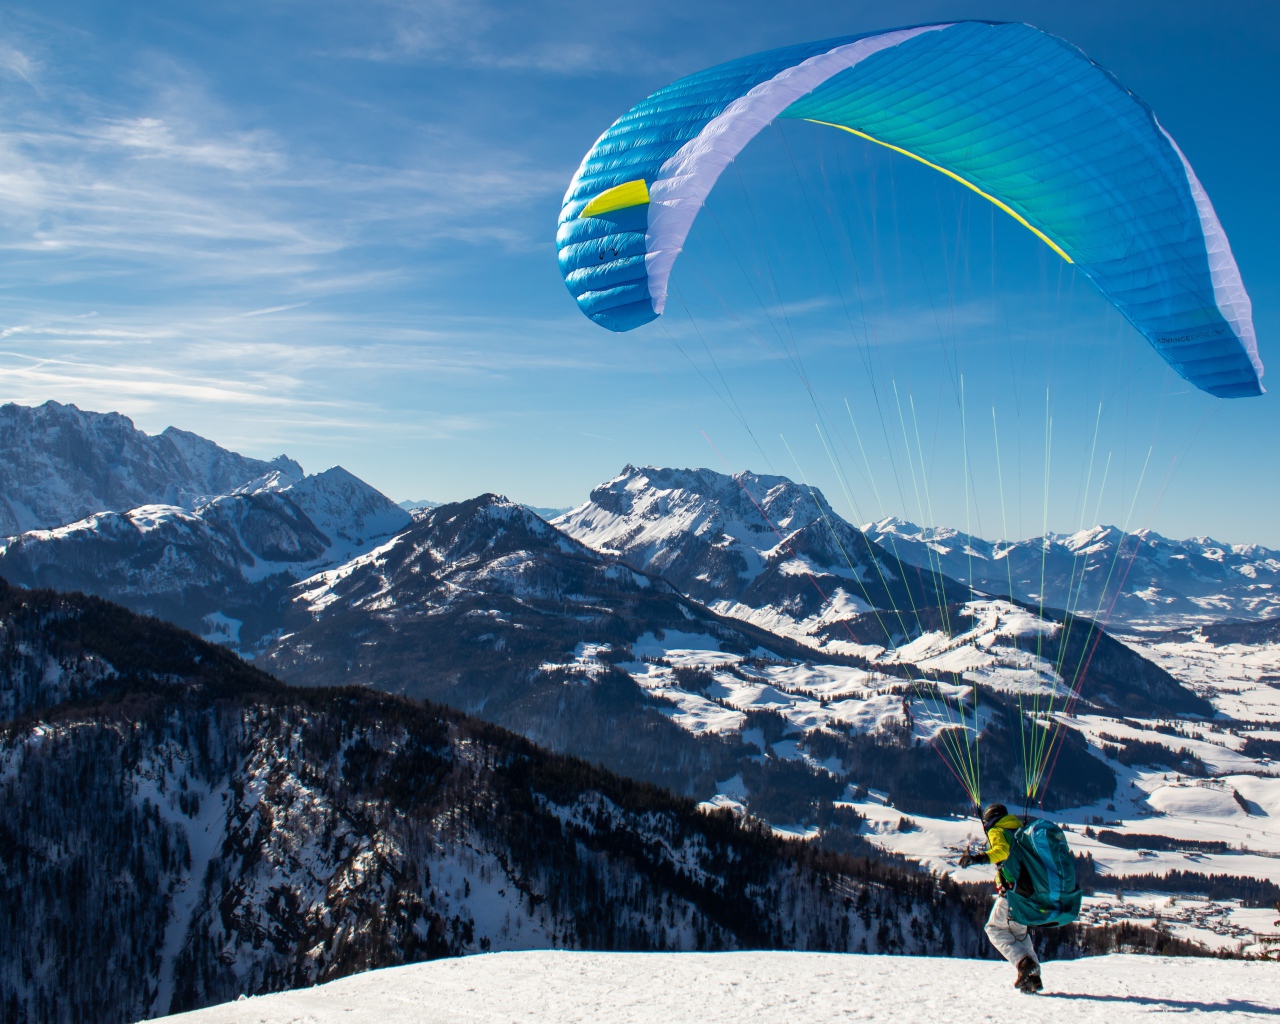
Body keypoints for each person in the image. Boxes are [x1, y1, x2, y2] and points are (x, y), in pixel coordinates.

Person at [959, 803, 1043, 994]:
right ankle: (1033, 977)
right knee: (1019, 935)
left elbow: (1002, 851)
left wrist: (978, 858)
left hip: (1012, 894)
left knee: (994, 929)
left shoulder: (997, 830)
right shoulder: (1020, 830)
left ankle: (1024, 964)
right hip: (1030, 894)